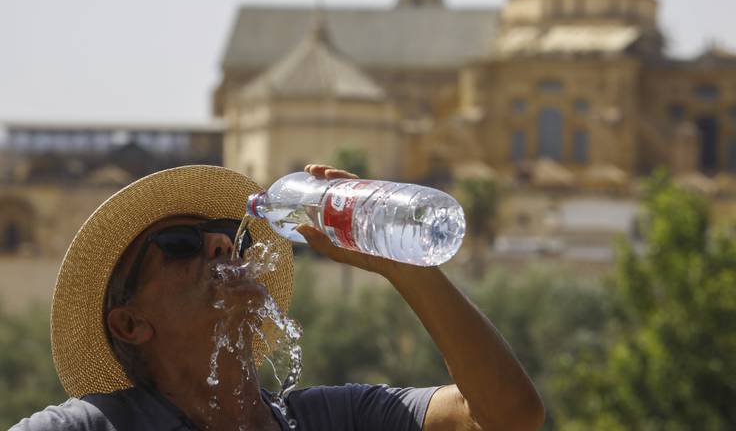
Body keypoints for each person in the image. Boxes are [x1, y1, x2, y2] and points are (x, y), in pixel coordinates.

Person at [11, 164, 544, 431]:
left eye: (227, 234)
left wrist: (404, 268)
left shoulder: (328, 419)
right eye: (178, 245)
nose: (222, 243)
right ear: (130, 324)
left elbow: (505, 417)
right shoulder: (96, 425)